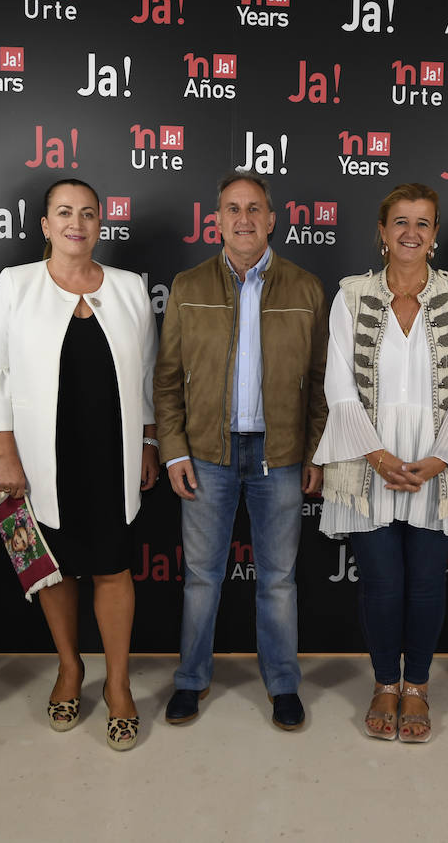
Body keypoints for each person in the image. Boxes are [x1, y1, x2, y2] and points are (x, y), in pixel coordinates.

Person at [0, 178, 158, 751]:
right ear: (44, 226)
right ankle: (70, 669)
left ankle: (118, 685)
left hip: (111, 455)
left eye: (88, 213)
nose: (77, 223)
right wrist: (6, 456)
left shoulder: (128, 289)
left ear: (100, 224)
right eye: (64, 213)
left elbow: (145, 375)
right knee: (54, 568)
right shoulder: (16, 285)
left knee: (113, 568)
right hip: (41, 459)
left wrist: (147, 443)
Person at [313, 182, 448, 742]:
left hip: (439, 461)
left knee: (427, 584)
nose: (411, 232)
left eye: (423, 223)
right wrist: (377, 454)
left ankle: (417, 688)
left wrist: (437, 460)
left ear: (435, 235)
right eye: (400, 222)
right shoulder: (351, 296)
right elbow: (338, 385)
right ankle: (384, 682)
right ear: (381, 232)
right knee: (383, 583)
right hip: (370, 459)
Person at [153, 169, 328, 731]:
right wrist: (174, 451)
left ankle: (282, 686)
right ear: (218, 219)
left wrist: (317, 452)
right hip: (207, 453)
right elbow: (168, 378)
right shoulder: (188, 285)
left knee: (278, 580)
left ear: (272, 219)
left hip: (281, 456)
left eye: (255, 208)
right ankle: (190, 680)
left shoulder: (305, 288)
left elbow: (325, 380)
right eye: (233, 208)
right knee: (202, 577)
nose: (244, 218)